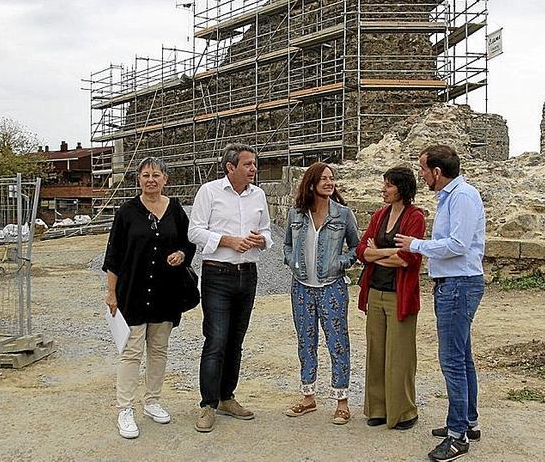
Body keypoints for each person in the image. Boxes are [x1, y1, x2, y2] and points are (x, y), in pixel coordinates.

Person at [394, 145, 486, 462]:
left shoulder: (460, 197)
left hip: (458, 284)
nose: (420, 175)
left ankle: (458, 436)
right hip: (457, 283)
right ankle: (467, 422)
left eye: (423, 169)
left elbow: (459, 245)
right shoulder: (453, 196)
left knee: (452, 360)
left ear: (436, 171)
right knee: (462, 357)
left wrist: (415, 245)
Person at [102, 157, 196, 439]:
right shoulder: (127, 211)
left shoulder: (176, 209)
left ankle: (152, 401)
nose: (151, 179)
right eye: (145, 175)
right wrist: (111, 292)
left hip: (166, 293)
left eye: (156, 175)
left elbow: (189, 242)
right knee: (130, 352)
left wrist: (181, 254)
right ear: (138, 180)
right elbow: (114, 255)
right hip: (133, 292)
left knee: (159, 350)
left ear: (165, 179)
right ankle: (125, 408)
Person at [187, 143, 273, 433]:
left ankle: (227, 397)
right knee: (216, 340)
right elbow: (194, 231)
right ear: (230, 167)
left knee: (236, 340)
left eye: (254, 164)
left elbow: (267, 231)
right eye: (248, 164)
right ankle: (207, 405)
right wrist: (229, 241)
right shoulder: (209, 192)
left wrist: (261, 240)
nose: (253, 169)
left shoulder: (258, 195)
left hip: (248, 275)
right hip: (217, 276)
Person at [282, 162, 359, 425]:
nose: (330, 182)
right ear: (311, 183)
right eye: (324, 178)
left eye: (332, 178)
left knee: (338, 343)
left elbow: (356, 248)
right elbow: (287, 245)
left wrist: (341, 263)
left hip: (332, 288)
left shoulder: (343, 214)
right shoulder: (296, 214)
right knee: (306, 342)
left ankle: (342, 401)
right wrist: (291, 261)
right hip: (301, 287)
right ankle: (308, 397)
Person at [356, 165, 426, 430]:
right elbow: (362, 250)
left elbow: (407, 259)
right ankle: (378, 409)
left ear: (402, 188)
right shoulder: (379, 215)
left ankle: (404, 411)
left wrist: (379, 253)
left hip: (400, 295)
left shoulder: (415, 217)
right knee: (376, 352)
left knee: (400, 355)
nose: (383, 189)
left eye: (388, 185)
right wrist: (387, 254)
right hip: (375, 291)